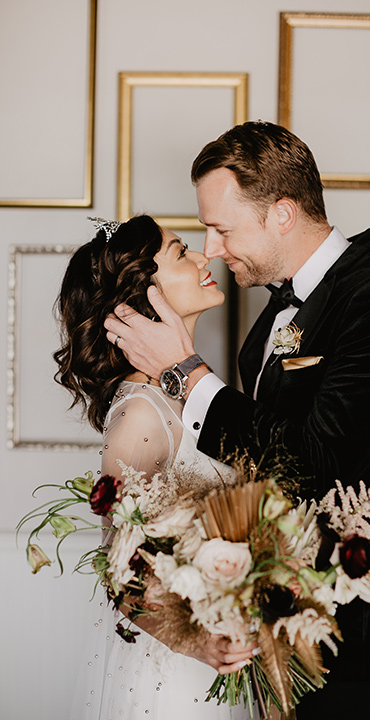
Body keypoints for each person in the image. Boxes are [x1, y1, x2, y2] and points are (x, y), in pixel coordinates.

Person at [104, 121, 370, 720]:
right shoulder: (269, 324)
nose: (212, 247)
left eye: (220, 228)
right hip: (272, 637)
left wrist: (185, 375)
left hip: (361, 640)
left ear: (282, 214)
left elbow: (319, 466)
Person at [54, 215, 255, 720]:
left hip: (224, 646)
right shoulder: (141, 415)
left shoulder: (193, 389)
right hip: (176, 671)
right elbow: (120, 571)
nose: (205, 257)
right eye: (182, 252)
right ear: (143, 293)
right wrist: (199, 647)